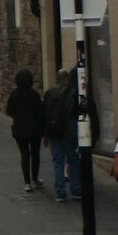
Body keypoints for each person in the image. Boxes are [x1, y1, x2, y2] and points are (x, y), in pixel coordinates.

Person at [6, 68, 46, 191]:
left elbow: (9, 111)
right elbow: (40, 112)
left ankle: (27, 183)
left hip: (19, 129)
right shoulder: (34, 95)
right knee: (35, 154)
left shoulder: (14, 95)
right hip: (34, 129)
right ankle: (35, 178)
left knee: (24, 155)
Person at [44, 69, 79, 201]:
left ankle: (60, 193)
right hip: (69, 132)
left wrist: (46, 134)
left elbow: (45, 115)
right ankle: (75, 190)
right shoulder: (73, 93)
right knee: (73, 162)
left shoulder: (49, 93)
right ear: (66, 79)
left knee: (58, 163)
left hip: (54, 132)